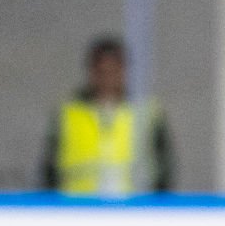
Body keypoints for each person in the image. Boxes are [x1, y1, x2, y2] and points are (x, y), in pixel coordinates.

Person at [39, 36, 174, 198]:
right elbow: (49, 169)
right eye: (102, 72)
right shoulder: (68, 112)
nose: (107, 78)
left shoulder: (147, 112)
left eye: (114, 71)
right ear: (92, 72)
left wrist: (157, 206)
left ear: (124, 71)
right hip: (78, 206)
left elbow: (164, 166)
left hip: (133, 206)